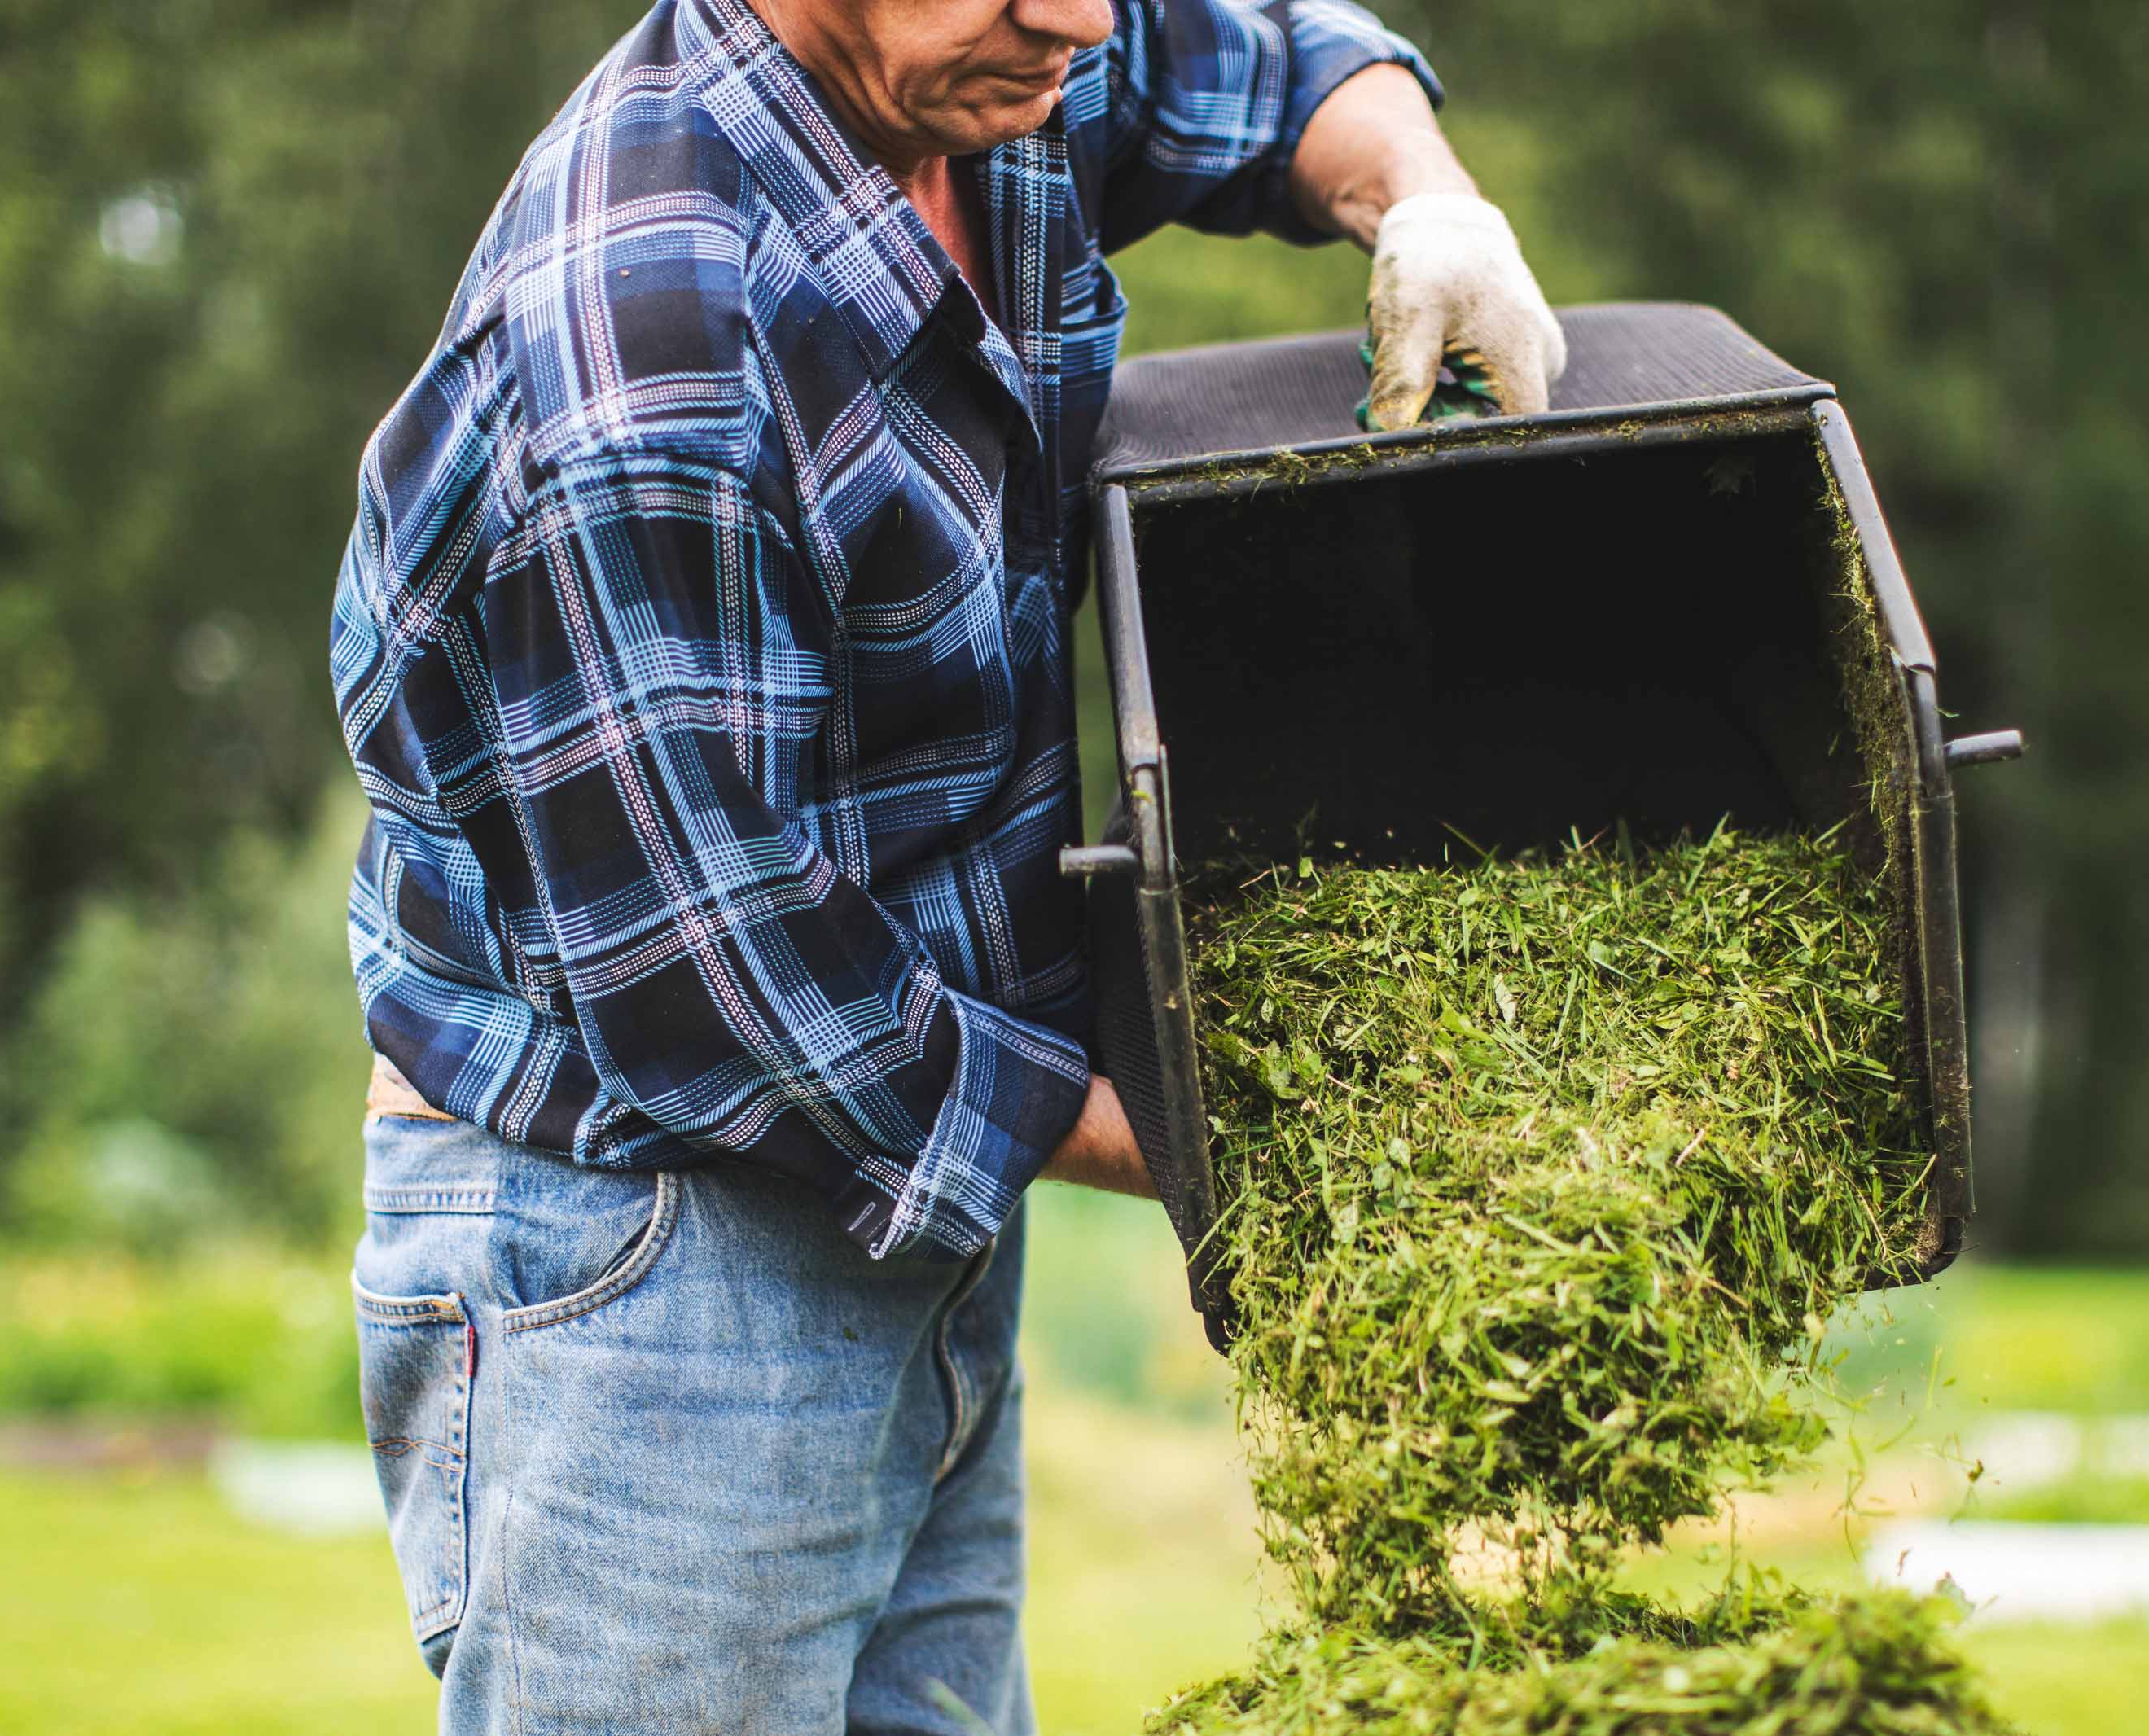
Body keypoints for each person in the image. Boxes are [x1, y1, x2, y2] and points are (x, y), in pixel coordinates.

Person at [327, 1, 1560, 1728]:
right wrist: (1247, 1142)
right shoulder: (646, 348)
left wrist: (1425, 197)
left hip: (913, 1200)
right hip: (656, 1265)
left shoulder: (992, 70)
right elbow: (723, 987)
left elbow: (1262, 61)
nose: (1075, 13)